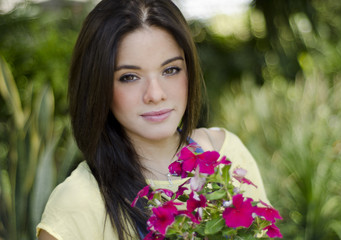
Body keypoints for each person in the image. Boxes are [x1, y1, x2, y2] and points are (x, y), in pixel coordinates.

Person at [36, 0, 270, 239]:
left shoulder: (228, 156)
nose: (155, 94)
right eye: (129, 77)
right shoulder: (77, 204)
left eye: (170, 70)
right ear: (98, 85)